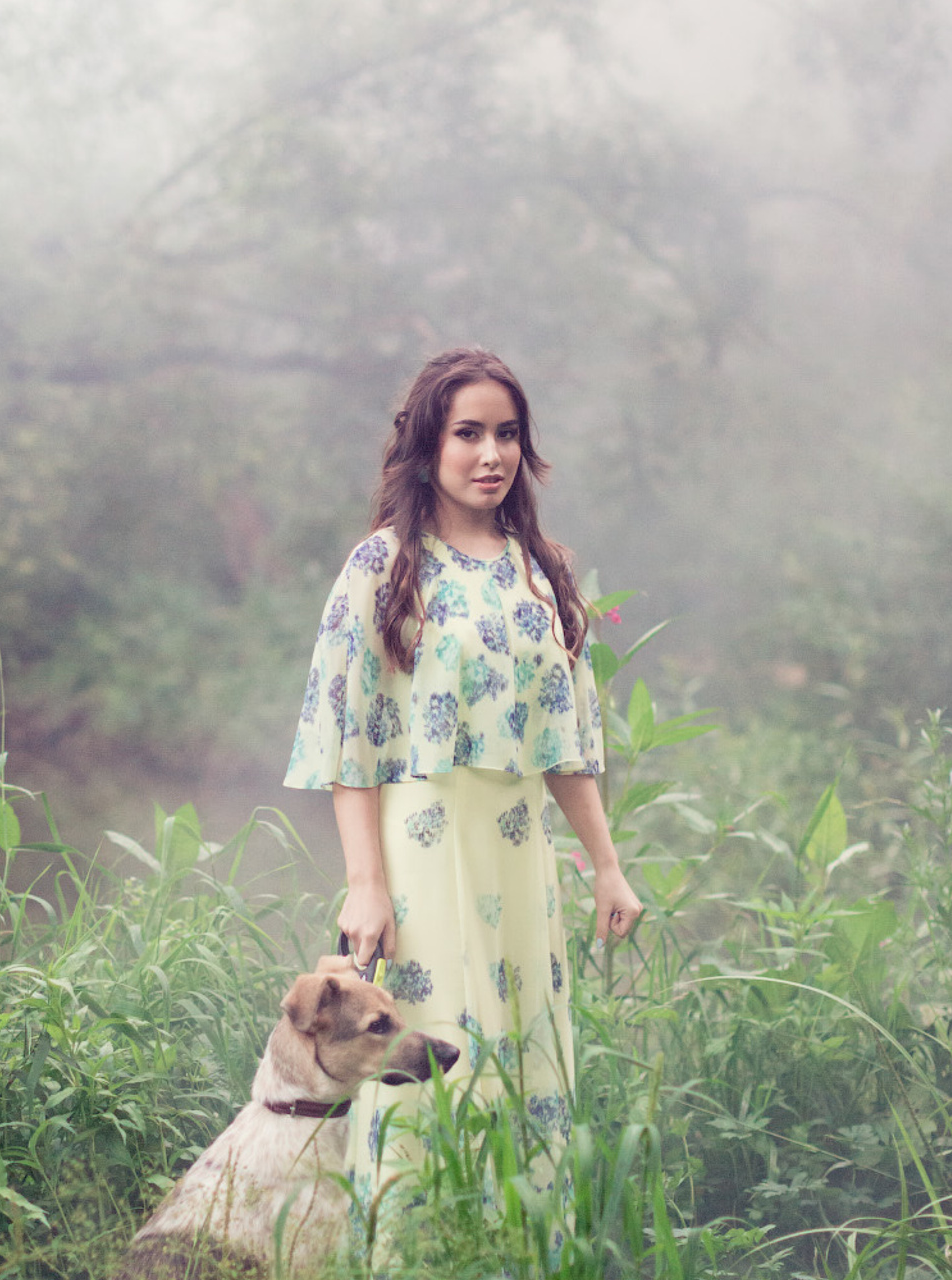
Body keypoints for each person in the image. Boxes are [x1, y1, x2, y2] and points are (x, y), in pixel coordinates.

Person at [283, 347, 642, 1228]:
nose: (492, 454)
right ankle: (415, 1244)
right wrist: (366, 883)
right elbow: (347, 740)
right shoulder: (383, 566)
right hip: (423, 848)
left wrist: (605, 863)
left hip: (519, 851)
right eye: (468, 433)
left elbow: (568, 743)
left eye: (508, 434)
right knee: (423, 1051)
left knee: (527, 1048)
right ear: (426, 446)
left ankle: (520, 1244)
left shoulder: (542, 570)